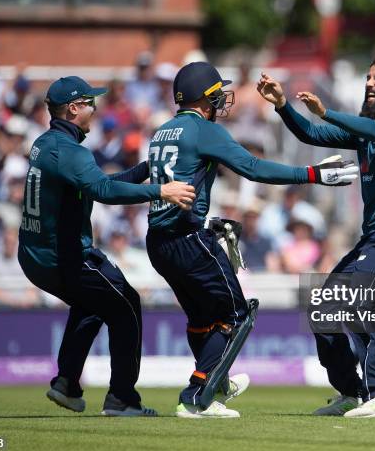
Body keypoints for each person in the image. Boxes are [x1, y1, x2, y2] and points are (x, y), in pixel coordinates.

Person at [145, 61, 359, 418]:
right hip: (188, 239)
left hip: (158, 242)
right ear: (205, 98)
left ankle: (217, 382)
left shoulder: (162, 131)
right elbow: (253, 168)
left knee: (201, 319)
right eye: (217, 95)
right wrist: (313, 174)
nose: (221, 101)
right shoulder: (204, 131)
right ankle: (199, 394)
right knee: (237, 314)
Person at [17, 76, 196, 417]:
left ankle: (67, 384)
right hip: (62, 257)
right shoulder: (69, 151)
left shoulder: (47, 143)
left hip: (38, 255)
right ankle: (122, 399)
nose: (95, 108)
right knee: (126, 303)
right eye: (88, 103)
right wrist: (161, 191)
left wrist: (145, 170)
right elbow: (103, 192)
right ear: (73, 108)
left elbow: (96, 184)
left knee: (94, 303)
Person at [257, 57, 375, 418]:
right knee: (324, 307)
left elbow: (369, 130)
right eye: (367, 76)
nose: (368, 83)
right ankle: (352, 391)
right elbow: (311, 134)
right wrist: (283, 105)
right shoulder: (368, 131)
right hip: (372, 238)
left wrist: (327, 111)